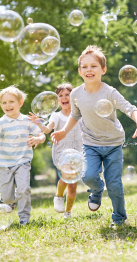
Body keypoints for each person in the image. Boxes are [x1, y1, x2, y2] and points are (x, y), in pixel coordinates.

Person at [51, 45, 137, 226]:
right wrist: (63, 131)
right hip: (90, 144)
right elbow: (75, 115)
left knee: (115, 185)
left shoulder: (110, 92)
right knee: (88, 176)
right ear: (80, 71)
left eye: (94, 66)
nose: (89, 69)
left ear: (103, 69)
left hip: (113, 144)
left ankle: (119, 218)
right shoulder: (76, 94)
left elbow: (130, 108)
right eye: (85, 66)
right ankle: (97, 190)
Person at [0, 85, 45, 225]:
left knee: (24, 189)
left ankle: (24, 218)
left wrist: (38, 139)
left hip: (22, 162)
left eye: (11, 101)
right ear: (1, 105)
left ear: (20, 103)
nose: (8, 105)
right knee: (6, 198)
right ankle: (10, 203)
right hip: (4, 165)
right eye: (4, 103)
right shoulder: (0, 124)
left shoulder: (27, 120)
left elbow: (41, 134)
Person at [28, 83, 82, 220]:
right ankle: (58, 196)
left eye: (67, 95)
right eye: (60, 96)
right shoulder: (56, 116)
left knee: (73, 186)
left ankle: (68, 212)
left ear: (73, 96)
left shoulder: (80, 113)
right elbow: (46, 130)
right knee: (66, 175)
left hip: (78, 152)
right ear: (57, 100)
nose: (64, 98)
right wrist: (38, 123)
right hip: (62, 152)